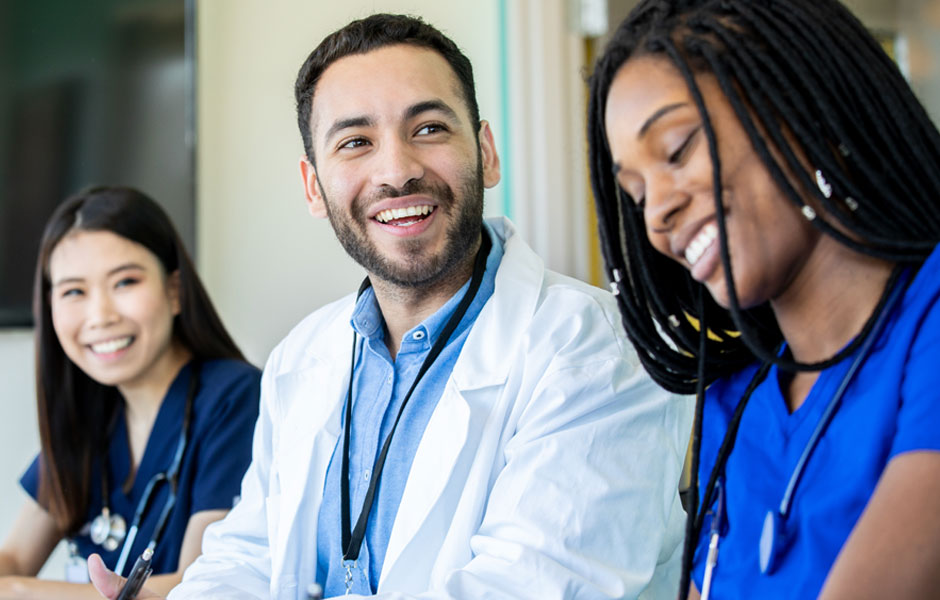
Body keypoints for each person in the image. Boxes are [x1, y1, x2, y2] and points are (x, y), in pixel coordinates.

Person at [90, 13, 692, 600]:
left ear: (485, 152)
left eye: (428, 128)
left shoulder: (599, 347)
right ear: (313, 187)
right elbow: (249, 555)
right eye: (356, 142)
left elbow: (533, 585)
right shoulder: (301, 357)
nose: (397, 171)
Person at [587, 0, 940, 598]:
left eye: (678, 149)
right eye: (637, 192)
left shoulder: (926, 324)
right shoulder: (738, 400)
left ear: (803, 110)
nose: (659, 212)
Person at [0, 186, 261, 598]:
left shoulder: (234, 398)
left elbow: (197, 586)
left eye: (124, 282)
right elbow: (13, 559)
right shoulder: (91, 414)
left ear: (174, 291)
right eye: (73, 291)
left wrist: (16, 591)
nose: (100, 316)